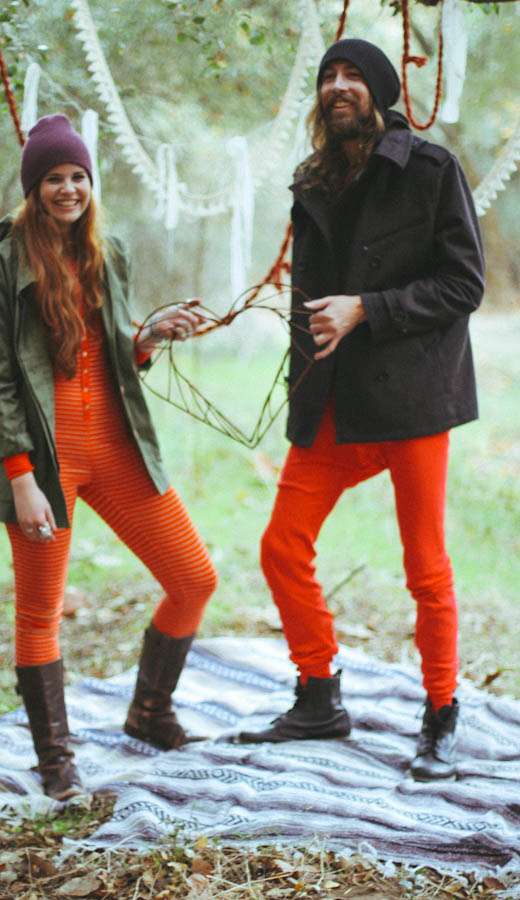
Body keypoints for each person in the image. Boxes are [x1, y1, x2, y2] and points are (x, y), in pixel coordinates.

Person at [232, 39, 484, 781]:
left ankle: (441, 713)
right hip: (333, 399)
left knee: (425, 568)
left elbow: (465, 284)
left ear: (379, 90)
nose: (338, 86)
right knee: (282, 545)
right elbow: (307, 303)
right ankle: (318, 694)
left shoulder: (430, 169)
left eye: (352, 76)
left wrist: (368, 308)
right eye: (327, 77)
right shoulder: (312, 179)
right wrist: (300, 389)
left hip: (413, 397)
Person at [0, 114, 218, 801]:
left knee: (194, 579)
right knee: (39, 611)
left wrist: (150, 336)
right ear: (33, 188)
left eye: (78, 176)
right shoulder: (0, 272)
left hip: (117, 448)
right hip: (46, 465)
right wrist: (21, 480)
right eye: (54, 177)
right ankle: (55, 759)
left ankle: (149, 712)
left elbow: (112, 355)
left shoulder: (109, 254)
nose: (68, 189)